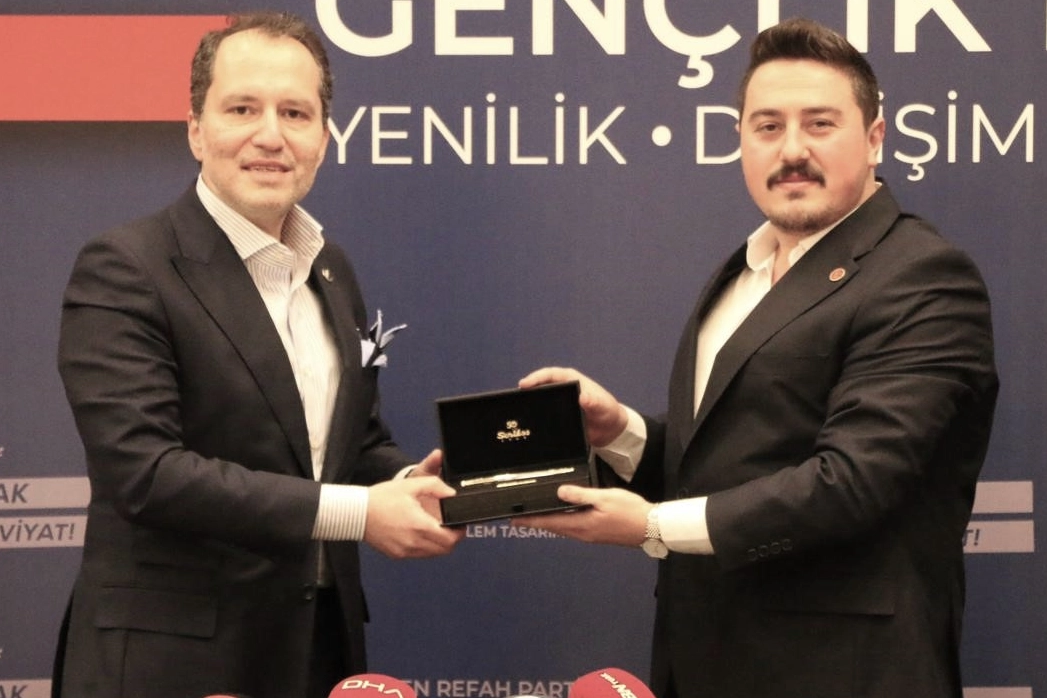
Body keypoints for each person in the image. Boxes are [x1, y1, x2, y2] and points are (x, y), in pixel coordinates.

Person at [516, 17, 998, 698]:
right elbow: (734, 459)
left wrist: (650, 526)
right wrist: (621, 432)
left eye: (820, 124)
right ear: (741, 139)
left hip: (844, 674)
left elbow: (851, 482)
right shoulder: (741, 271)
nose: (791, 150)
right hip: (705, 662)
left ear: (875, 138)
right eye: (768, 127)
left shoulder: (922, 275)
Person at [53, 12, 463, 698]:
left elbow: (348, 448)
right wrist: (361, 513)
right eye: (242, 108)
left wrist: (414, 483)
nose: (270, 135)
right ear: (196, 129)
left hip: (316, 653)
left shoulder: (330, 268)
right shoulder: (125, 268)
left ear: (323, 138)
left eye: (295, 113)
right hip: (174, 666)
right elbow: (146, 473)